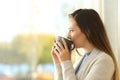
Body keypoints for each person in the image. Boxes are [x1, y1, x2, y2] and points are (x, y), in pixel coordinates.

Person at [51, 9, 119, 80]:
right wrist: (58, 63)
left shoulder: (104, 60)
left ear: (87, 31)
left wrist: (66, 62)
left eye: (71, 31)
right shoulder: (80, 60)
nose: (68, 35)